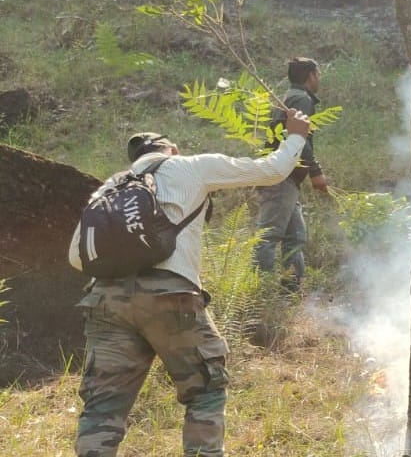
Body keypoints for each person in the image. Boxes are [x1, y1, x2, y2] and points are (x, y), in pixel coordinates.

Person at [68, 109, 312, 457]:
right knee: (205, 391)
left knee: (102, 409)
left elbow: (77, 257)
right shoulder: (190, 167)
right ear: (173, 150)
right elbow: (272, 171)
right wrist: (297, 135)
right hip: (171, 297)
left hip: (106, 302)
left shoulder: (110, 187)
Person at [255, 57, 329, 290]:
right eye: (318, 74)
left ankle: (291, 291)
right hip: (281, 176)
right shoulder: (301, 99)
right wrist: (316, 172)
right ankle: (260, 295)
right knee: (268, 237)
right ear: (311, 76)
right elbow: (297, 138)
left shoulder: (291, 96)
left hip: (287, 178)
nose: (319, 78)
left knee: (295, 237)